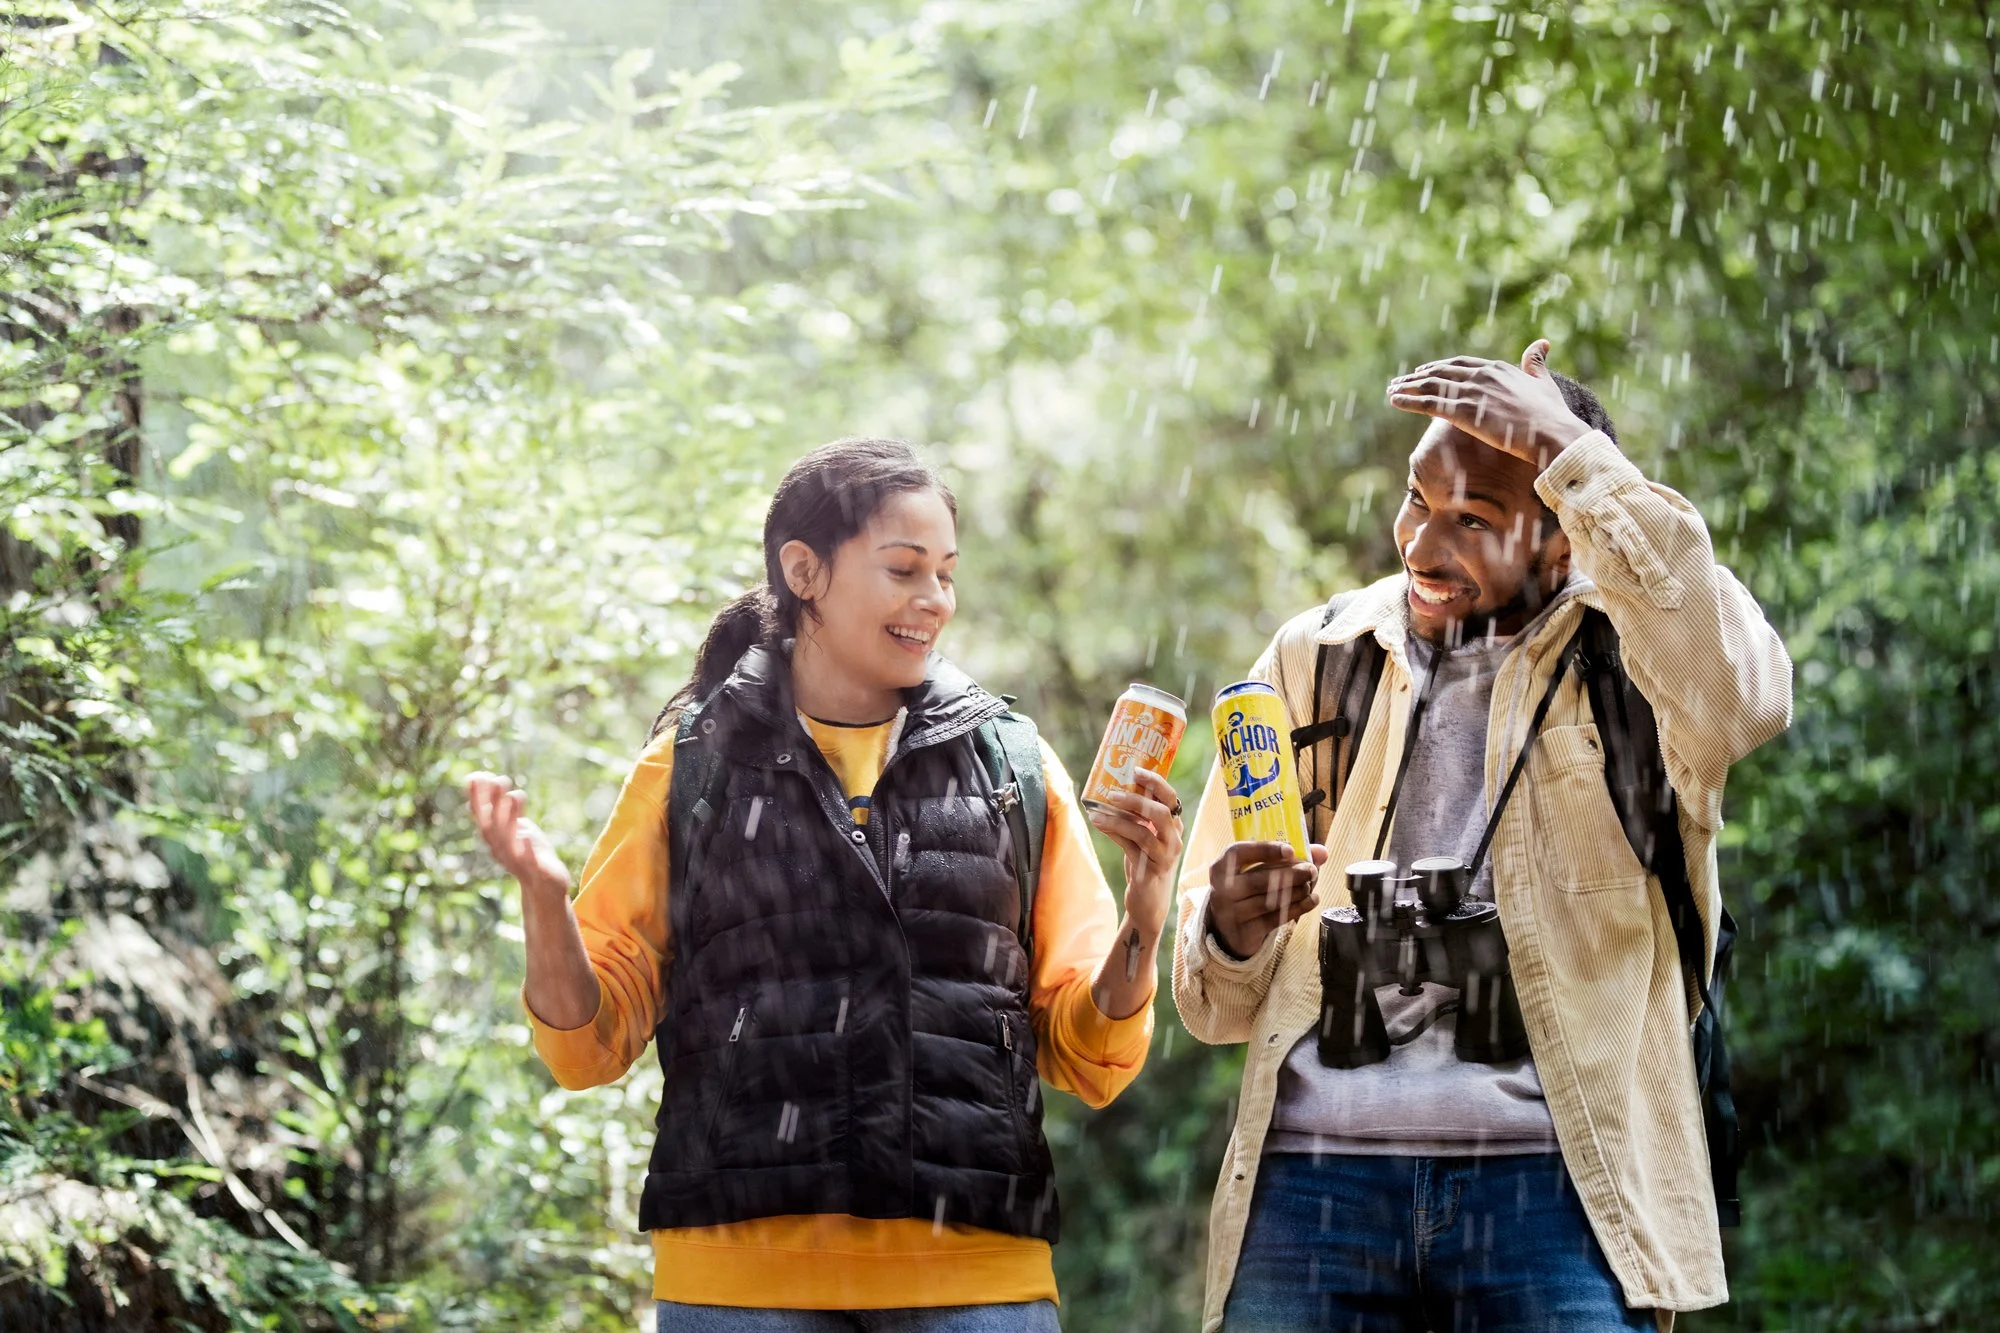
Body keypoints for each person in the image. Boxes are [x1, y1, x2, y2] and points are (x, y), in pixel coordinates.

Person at [468, 438, 1183, 1332]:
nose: (935, 601)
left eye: (947, 574)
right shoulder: (691, 767)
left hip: (976, 1286)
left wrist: (1146, 920)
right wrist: (543, 899)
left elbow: (1090, 1057)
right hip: (742, 1287)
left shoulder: (1012, 765)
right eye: (904, 569)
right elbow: (587, 1048)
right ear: (804, 570)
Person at [1172, 340, 1792, 1332]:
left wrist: (1570, 450)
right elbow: (1213, 1003)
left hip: (1555, 1190)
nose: (1420, 547)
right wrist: (1228, 929)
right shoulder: (1316, 654)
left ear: (1561, 537)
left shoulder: (1636, 663)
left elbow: (1745, 696)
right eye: (1416, 502)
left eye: (1472, 520)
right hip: (1307, 1190)